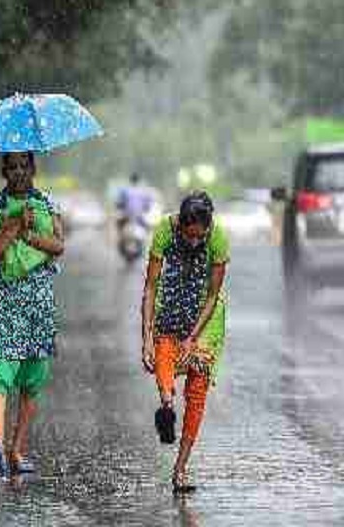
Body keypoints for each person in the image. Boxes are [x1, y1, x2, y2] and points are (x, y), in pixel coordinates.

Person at [0, 151, 65, 478]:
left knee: (32, 380)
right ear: (4, 171)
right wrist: (13, 227)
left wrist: (30, 234)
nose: (17, 172)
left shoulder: (48, 204)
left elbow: (59, 246)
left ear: (33, 168)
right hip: (4, 301)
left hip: (38, 304)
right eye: (11, 167)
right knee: (0, 371)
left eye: (23, 166)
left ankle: (16, 449)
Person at [140, 190, 230, 493]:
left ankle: (180, 469)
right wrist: (145, 338)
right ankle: (166, 404)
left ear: (208, 228)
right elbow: (151, 287)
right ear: (179, 225)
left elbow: (212, 295)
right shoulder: (164, 230)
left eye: (198, 237)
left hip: (207, 316)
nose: (193, 242)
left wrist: (193, 339)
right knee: (162, 353)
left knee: (197, 390)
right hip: (172, 302)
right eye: (187, 235)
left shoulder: (218, 238)